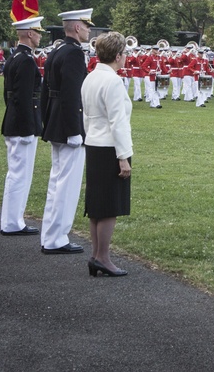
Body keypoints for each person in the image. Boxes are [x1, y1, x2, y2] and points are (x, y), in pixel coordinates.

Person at [39, 8, 93, 255]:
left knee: (56, 181)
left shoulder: (57, 50)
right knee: (66, 185)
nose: (89, 30)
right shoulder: (73, 54)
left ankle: (50, 235)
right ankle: (57, 238)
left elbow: (46, 90)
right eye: (87, 25)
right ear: (78, 27)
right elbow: (72, 94)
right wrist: (75, 129)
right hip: (67, 124)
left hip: (55, 122)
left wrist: (47, 121)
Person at [81, 32, 134, 277]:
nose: (125, 58)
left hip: (93, 144)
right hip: (109, 147)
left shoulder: (90, 77)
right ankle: (103, 257)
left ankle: (96, 255)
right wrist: (123, 156)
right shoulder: (112, 81)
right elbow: (117, 121)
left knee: (97, 206)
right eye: (124, 54)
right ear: (117, 55)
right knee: (109, 206)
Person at [0, 16, 46, 236]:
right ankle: (12, 223)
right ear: (29, 33)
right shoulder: (26, 60)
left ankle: (12, 221)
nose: (39, 36)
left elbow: (8, 96)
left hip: (14, 122)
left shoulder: (15, 57)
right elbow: (24, 98)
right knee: (20, 175)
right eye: (37, 32)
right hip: (22, 126)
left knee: (16, 174)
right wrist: (29, 128)